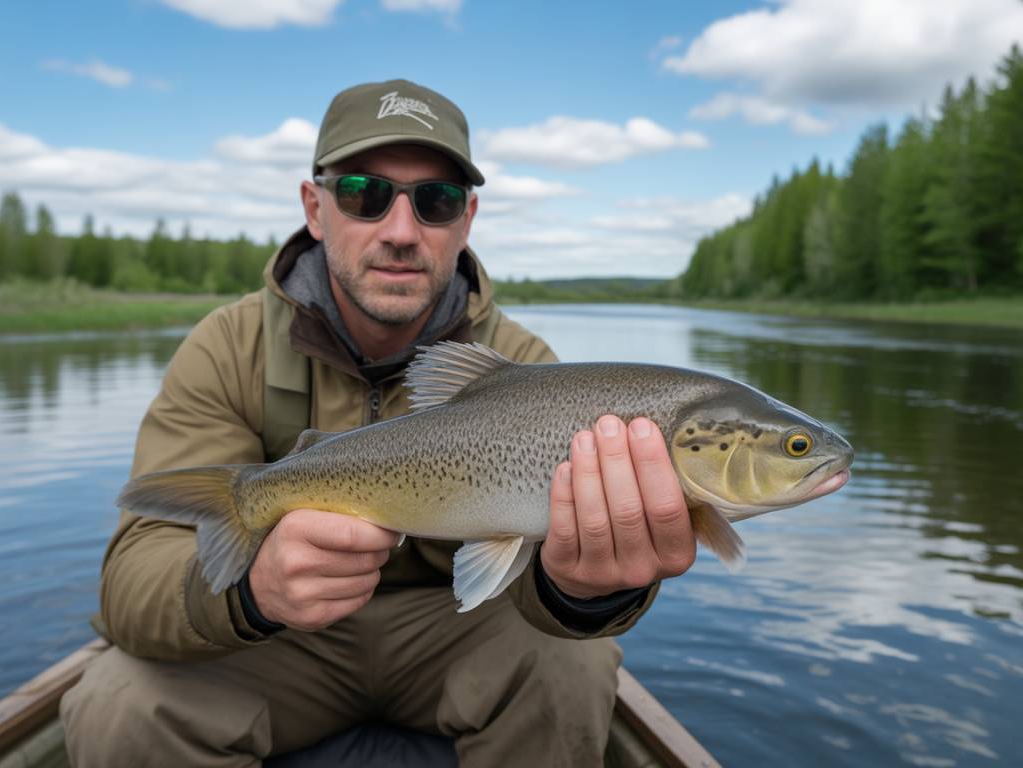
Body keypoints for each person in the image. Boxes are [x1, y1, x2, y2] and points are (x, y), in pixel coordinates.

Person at [60, 79, 696, 768]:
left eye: (436, 200)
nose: (400, 231)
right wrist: (254, 591)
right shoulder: (226, 348)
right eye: (365, 194)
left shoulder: (524, 368)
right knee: (120, 701)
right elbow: (132, 585)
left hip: (452, 635)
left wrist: (588, 590)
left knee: (576, 666)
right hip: (283, 644)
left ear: (467, 219)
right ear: (315, 206)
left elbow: (534, 595)